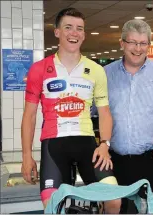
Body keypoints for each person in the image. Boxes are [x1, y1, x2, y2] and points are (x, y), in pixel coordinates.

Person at [21, 8, 120, 213]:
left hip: (87, 145)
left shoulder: (96, 70)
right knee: (52, 207)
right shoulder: (39, 69)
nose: (74, 33)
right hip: (53, 147)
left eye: (79, 29)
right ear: (57, 32)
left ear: (84, 34)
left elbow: (104, 113)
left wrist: (105, 144)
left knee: (113, 200)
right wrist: (26, 156)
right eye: (68, 27)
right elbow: (29, 115)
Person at [104, 19, 153, 213]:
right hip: (114, 161)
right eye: (132, 42)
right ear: (122, 43)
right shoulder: (105, 74)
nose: (137, 49)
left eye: (143, 43)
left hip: (152, 162)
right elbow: (89, 112)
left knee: (152, 210)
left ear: (149, 45)